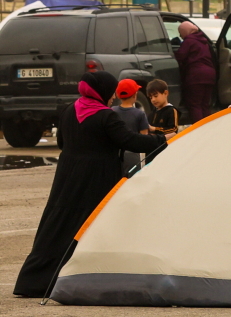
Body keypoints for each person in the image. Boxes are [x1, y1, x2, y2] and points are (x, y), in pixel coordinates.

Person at [13, 71, 166, 298]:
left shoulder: (68, 110)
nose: (113, 97)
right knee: (95, 222)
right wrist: (162, 140)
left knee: (60, 221)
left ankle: (35, 280)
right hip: (98, 176)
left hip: (68, 174)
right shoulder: (106, 116)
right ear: (102, 91)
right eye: (111, 91)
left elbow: (62, 142)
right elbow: (129, 140)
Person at [174, 21, 216, 124]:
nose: (180, 35)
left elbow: (180, 56)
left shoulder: (189, 41)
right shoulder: (204, 41)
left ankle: (198, 129)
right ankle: (208, 128)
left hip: (196, 76)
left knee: (195, 105)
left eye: (180, 32)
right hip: (210, 75)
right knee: (204, 105)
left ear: (185, 31)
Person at [111, 78, 151, 175]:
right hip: (133, 156)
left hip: (115, 155)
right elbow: (144, 138)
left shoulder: (112, 111)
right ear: (135, 95)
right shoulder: (140, 114)